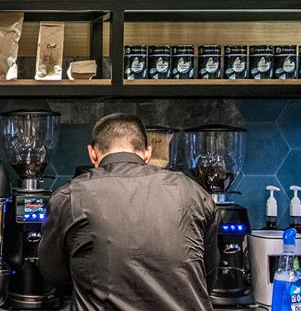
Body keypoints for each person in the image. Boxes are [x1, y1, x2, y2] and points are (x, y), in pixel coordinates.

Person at [38, 113, 218, 311]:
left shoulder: (68, 196)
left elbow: (53, 273)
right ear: (148, 154)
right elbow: (207, 275)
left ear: (92, 154)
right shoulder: (193, 192)